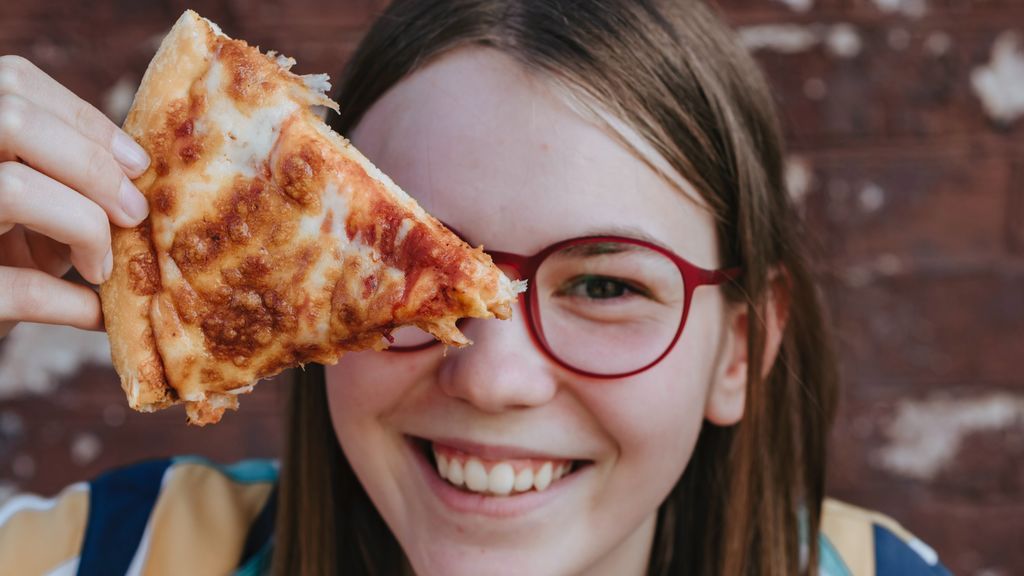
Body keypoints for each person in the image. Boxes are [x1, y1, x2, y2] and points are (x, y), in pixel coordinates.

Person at [0, 1, 953, 574]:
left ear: (742, 351)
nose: (495, 379)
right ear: (308, 302)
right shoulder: (117, 553)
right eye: (401, 277)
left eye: (608, 288)